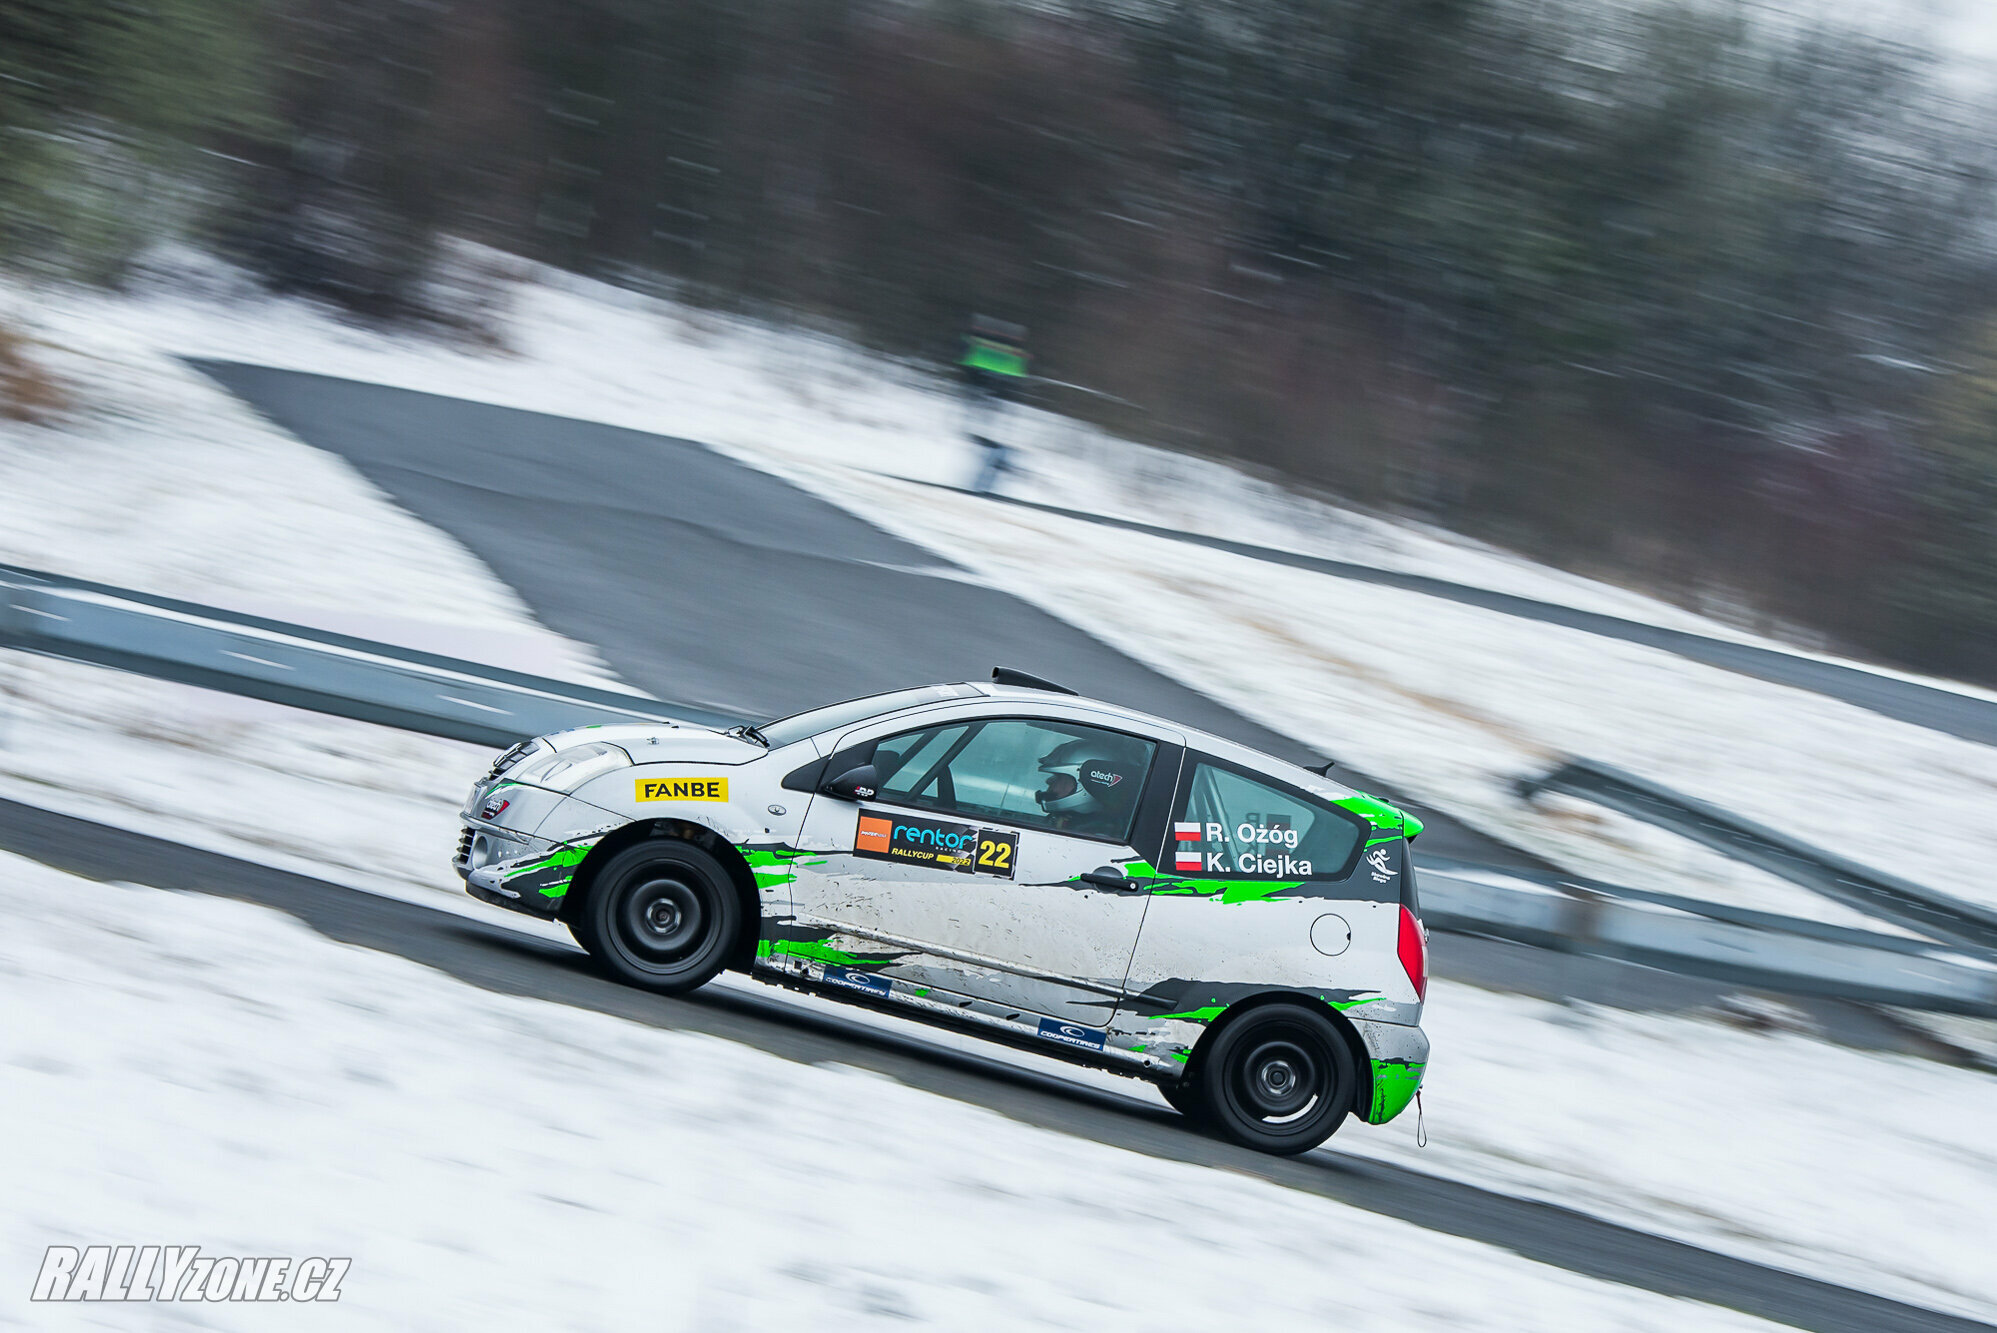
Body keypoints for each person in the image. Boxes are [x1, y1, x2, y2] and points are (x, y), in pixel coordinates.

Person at [959, 316, 1030, 492]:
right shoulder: (1008, 354)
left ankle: (988, 467)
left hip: (989, 385)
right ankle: (988, 468)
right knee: (986, 428)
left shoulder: (983, 348)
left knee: (984, 428)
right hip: (993, 387)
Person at [1034, 737, 1141, 839]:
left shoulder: (1095, 837)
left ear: (1088, 782)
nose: (1049, 782)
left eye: (1059, 778)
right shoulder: (1068, 825)